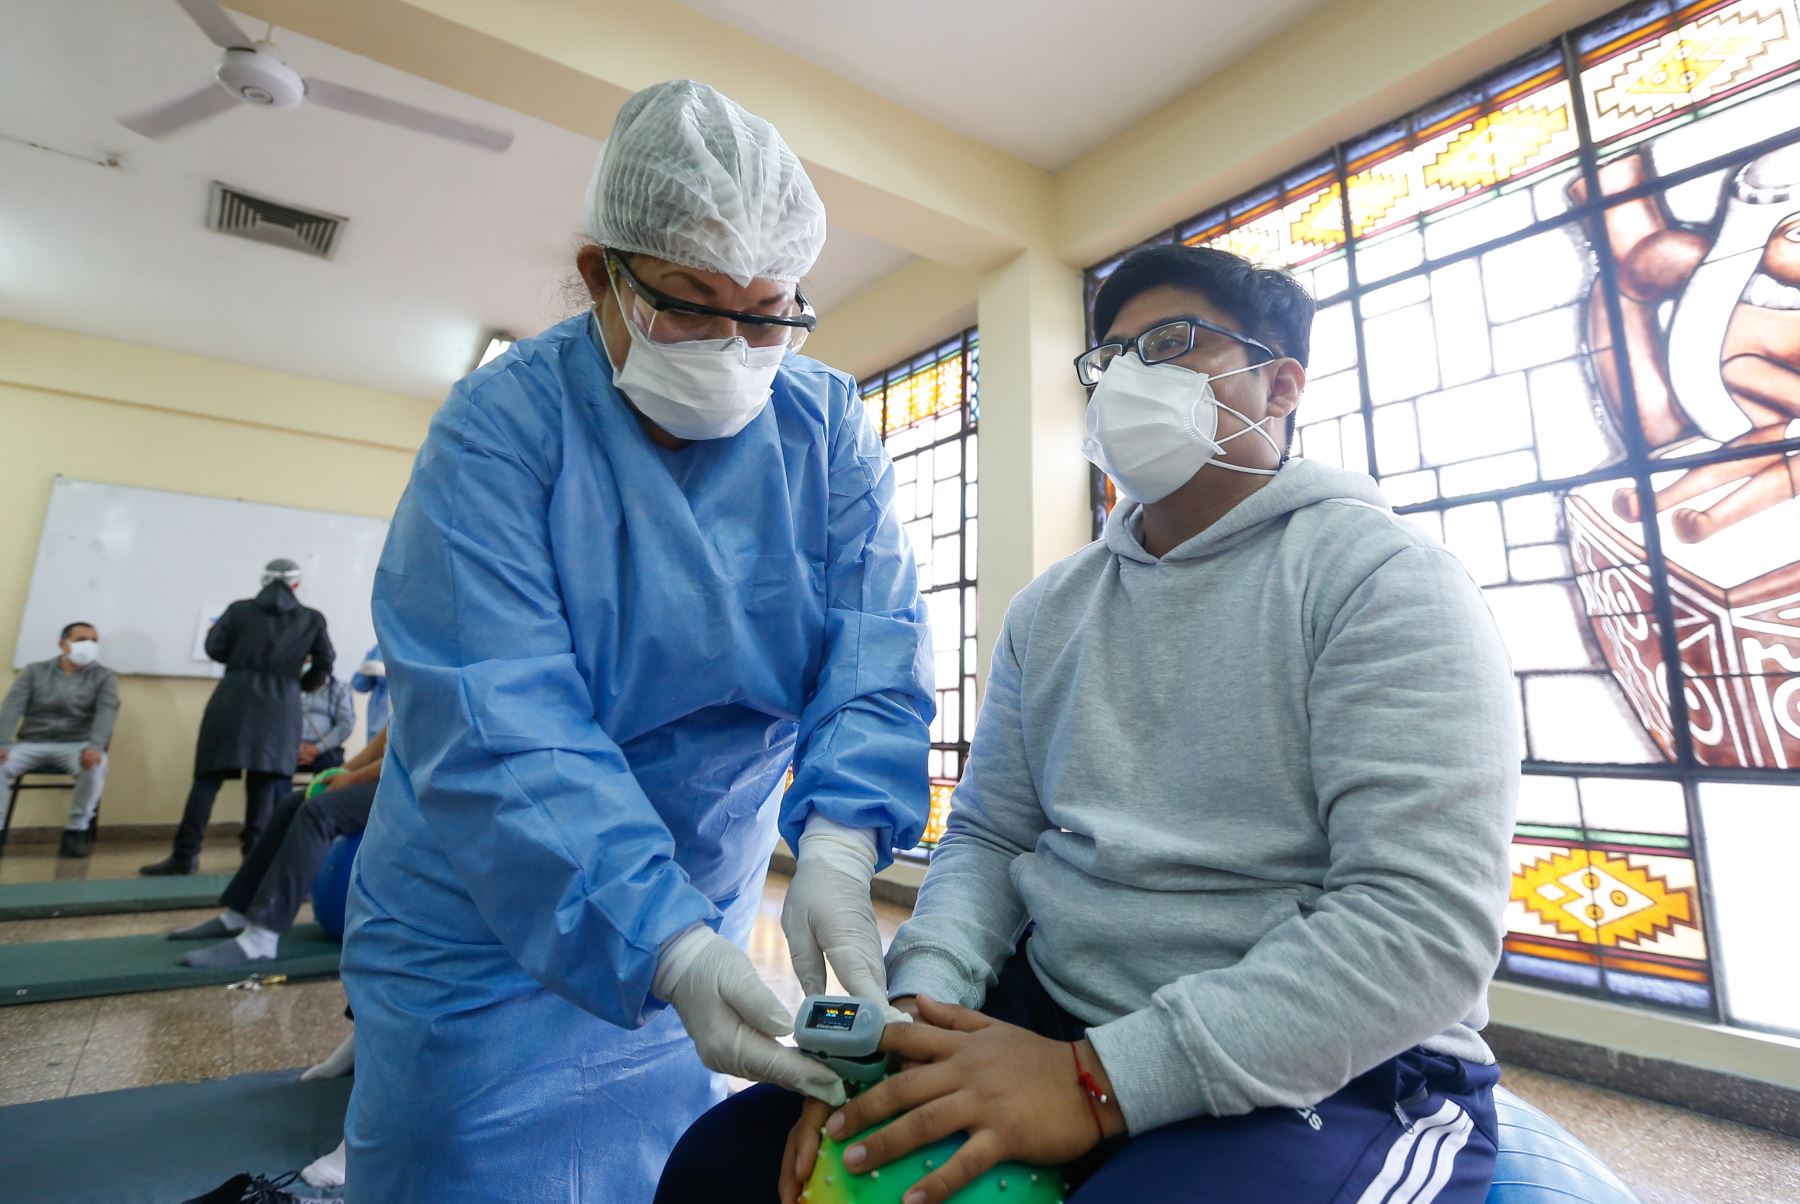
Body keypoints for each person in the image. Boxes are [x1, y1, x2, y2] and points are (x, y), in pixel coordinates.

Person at [659, 244, 1521, 1204]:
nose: (1128, 377)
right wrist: (912, 1016)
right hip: (1054, 1013)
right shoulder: (1055, 609)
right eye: (1111, 358)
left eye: (1172, 343)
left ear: (1281, 386)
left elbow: (1421, 925)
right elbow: (989, 838)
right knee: (720, 1168)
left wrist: (1099, 1083)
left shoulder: (1382, 582)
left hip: (1345, 1071)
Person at [340, 79, 933, 1204]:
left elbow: (874, 648)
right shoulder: (500, 431)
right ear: (597, 271)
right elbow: (500, 721)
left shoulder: (825, 427)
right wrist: (665, 945)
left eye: (767, 313)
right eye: (688, 305)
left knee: (654, 1169)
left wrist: (847, 843)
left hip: (703, 885)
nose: (730, 345)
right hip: (478, 928)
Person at [141, 559, 334, 875]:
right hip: (280, 707)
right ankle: (253, 857)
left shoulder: (238, 610)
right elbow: (324, 663)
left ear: (263, 581)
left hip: (233, 698)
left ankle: (185, 855)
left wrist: (243, 660)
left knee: (207, 779)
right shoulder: (311, 619)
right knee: (264, 782)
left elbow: (214, 648)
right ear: (297, 585)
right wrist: (297, 683)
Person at [170, 726, 386, 967]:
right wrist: (340, 772)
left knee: (318, 813)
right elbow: (391, 734)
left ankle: (261, 940)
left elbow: (413, 752)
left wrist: (353, 778)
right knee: (294, 802)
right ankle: (240, 913)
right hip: (398, 776)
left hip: (421, 793)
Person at [0, 622, 119, 858]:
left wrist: (95, 746)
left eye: (94, 640)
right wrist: (2, 742)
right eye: (81, 639)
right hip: (30, 743)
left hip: (76, 745)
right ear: (62, 643)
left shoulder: (104, 676)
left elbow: (106, 714)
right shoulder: (34, 671)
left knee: (97, 766)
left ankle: (76, 831)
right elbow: (12, 707)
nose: (89, 644)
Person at [297, 671, 355, 774]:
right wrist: (295, 748)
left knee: (331, 765)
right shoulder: (289, 686)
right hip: (292, 748)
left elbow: (344, 726)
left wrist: (317, 749)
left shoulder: (340, 689)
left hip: (325, 749)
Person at [350, 643, 388, 742]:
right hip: (377, 727)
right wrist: (369, 667)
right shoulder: (381, 647)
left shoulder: (424, 643)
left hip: (409, 727)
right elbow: (359, 685)